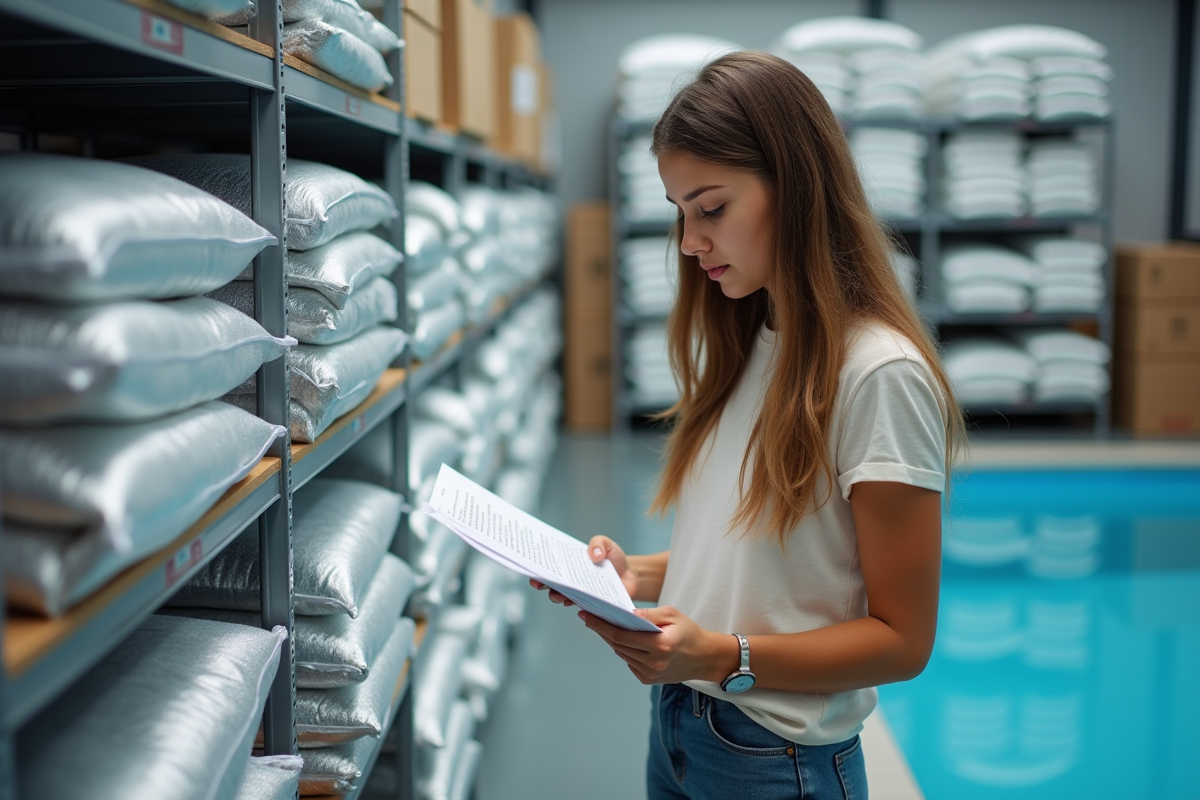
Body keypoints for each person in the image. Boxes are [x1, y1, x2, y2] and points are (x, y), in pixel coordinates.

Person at [534, 50, 961, 800]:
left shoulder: (878, 375)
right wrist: (640, 574)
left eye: (711, 208)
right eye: (680, 212)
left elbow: (902, 641)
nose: (689, 241)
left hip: (777, 757)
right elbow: (769, 553)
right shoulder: (753, 340)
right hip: (683, 726)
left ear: (795, 187)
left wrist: (721, 656)